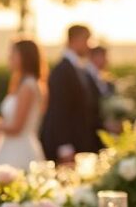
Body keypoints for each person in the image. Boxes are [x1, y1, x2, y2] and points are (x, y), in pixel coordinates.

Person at [0, 39, 47, 169]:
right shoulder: (23, 84)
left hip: (19, 150)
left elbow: (17, 127)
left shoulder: (28, 86)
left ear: (25, 57)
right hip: (11, 146)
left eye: (13, 54)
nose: (9, 58)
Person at [41, 24, 97, 163]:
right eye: (87, 40)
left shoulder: (79, 68)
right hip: (68, 144)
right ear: (75, 40)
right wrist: (64, 146)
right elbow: (59, 109)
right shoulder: (62, 70)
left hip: (79, 141)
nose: (89, 45)